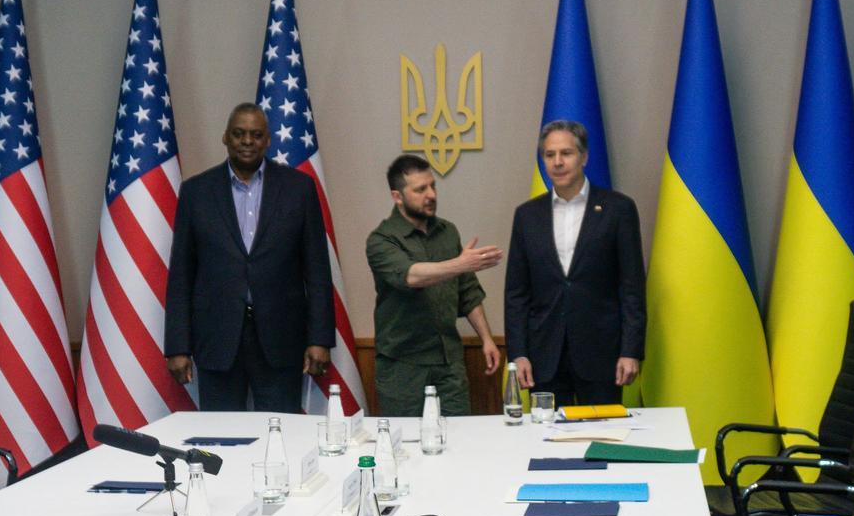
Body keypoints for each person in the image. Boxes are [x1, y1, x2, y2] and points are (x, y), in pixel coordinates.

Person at [164, 103, 333, 412]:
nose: (247, 141)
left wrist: (320, 339)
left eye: (256, 135)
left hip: (281, 338)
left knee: (283, 433)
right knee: (223, 439)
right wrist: (178, 346)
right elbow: (181, 275)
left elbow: (318, 270)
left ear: (268, 140)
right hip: (217, 338)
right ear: (225, 137)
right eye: (239, 134)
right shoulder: (196, 192)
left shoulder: (299, 188)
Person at [504, 120, 646, 407]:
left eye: (566, 153)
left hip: (602, 354)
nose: (557, 162)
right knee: (547, 443)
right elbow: (516, 293)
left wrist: (631, 350)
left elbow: (631, 286)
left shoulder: (618, 209)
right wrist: (518, 353)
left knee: (603, 441)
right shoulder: (527, 216)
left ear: (584, 157)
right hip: (544, 357)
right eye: (549, 154)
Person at [366, 154, 502, 417]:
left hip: (449, 363)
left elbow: (468, 293)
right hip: (403, 367)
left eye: (432, 186)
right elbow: (411, 276)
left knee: (458, 441)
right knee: (406, 446)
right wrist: (462, 263)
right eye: (420, 189)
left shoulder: (448, 232)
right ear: (397, 196)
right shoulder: (381, 239)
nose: (431, 194)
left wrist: (486, 339)